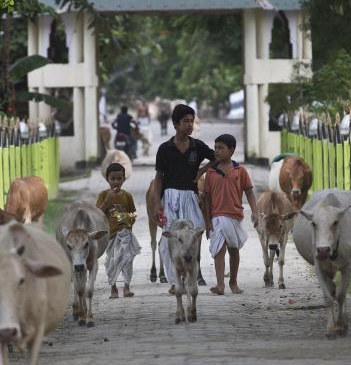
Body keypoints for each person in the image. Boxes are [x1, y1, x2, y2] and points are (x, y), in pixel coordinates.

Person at [152, 103, 215, 295]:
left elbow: (217, 157)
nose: (190, 125)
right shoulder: (164, 148)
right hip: (170, 197)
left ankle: (191, 277)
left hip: (190, 196)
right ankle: (174, 282)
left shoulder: (198, 146)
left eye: (192, 121)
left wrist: (201, 170)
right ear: (175, 124)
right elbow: (159, 178)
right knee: (169, 240)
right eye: (185, 121)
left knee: (193, 236)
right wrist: (156, 204)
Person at [202, 134, 257, 295]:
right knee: (219, 249)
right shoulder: (211, 173)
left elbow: (249, 192)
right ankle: (220, 285)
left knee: (233, 249)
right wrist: (208, 223)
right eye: (215, 147)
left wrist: (254, 211)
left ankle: (233, 281)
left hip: (234, 216)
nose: (217, 151)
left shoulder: (240, 171)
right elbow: (207, 199)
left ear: (231, 150)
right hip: (217, 217)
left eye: (221, 148)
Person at [96, 163, 140, 299]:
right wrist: (107, 202)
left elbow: (133, 214)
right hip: (110, 236)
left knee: (127, 260)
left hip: (125, 233)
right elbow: (97, 213)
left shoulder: (127, 196)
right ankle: (113, 288)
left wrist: (125, 216)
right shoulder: (103, 195)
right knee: (112, 262)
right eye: (113, 179)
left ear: (124, 179)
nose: (116, 182)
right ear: (107, 179)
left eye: (119, 178)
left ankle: (126, 287)